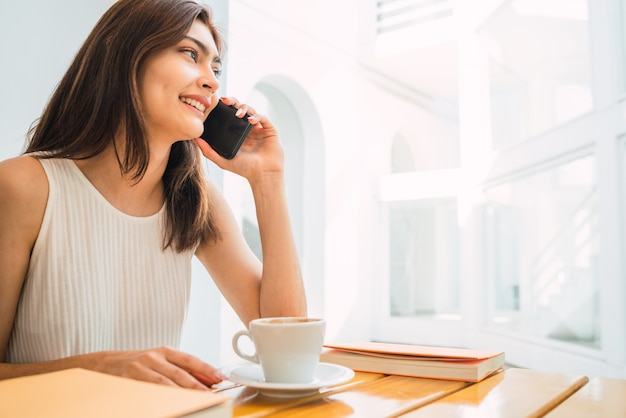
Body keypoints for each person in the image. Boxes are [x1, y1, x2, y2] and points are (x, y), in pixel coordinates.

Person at [0, 0, 306, 390]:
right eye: (190, 54)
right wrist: (99, 368)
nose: (212, 81)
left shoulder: (196, 204)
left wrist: (268, 180)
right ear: (124, 57)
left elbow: (289, 352)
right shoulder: (22, 186)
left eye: (215, 68)